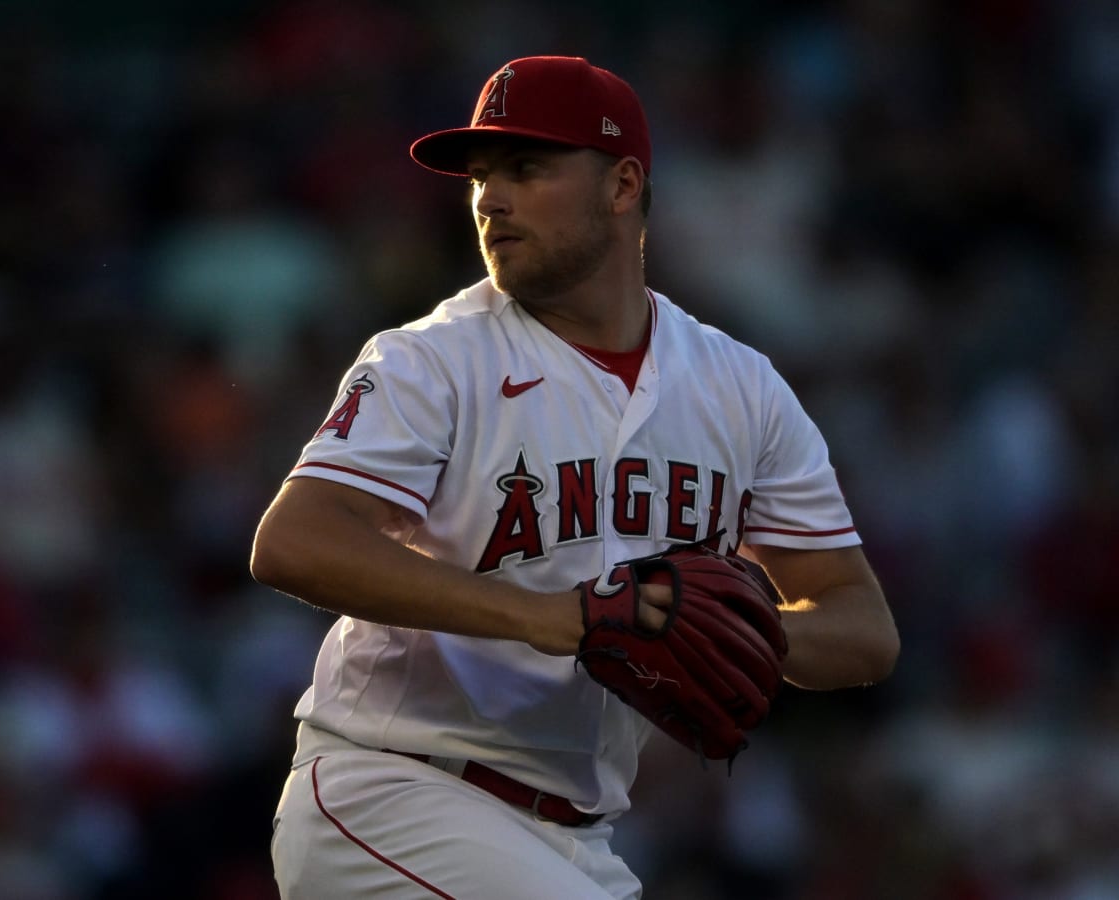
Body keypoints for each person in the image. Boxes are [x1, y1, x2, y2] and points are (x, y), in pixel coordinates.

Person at [251, 55, 899, 900]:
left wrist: (741, 630)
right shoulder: (433, 361)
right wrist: (551, 617)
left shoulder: (739, 386)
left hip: (576, 835)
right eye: (482, 175)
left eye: (526, 168)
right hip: (394, 791)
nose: (490, 197)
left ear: (623, 184)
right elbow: (293, 540)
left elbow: (864, 629)